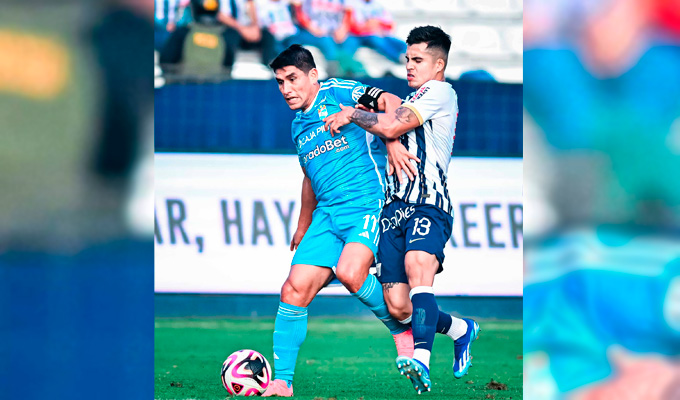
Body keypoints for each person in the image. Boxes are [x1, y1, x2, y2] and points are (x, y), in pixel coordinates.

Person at [323, 26, 480, 394]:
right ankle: (461, 329)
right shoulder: (413, 98)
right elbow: (392, 127)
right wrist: (390, 138)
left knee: (417, 266)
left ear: (439, 65)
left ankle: (421, 359)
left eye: (418, 59)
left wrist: (352, 114)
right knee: (398, 306)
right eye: (407, 58)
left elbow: (392, 124)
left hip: (428, 202)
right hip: (394, 210)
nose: (409, 65)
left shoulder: (440, 92)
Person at [261, 44, 412, 397]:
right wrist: (303, 224)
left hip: (367, 203)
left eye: (293, 79)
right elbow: (309, 177)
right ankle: (282, 382)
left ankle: (401, 329)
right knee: (293, 289)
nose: (286, 89)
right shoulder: (298, 127)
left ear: (313, 75)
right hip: (326, 215)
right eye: (280, 82)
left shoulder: (339, 91)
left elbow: (392, 101)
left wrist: (390, 137)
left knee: (350, 271)